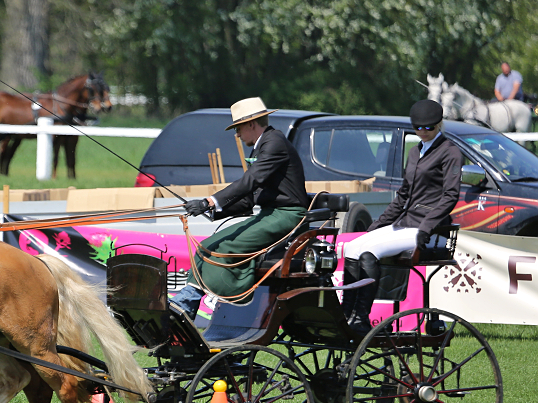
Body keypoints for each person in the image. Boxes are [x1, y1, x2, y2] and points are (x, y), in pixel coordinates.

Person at [170, 97, 310, 318]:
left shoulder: (274, 143)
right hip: (269, 214)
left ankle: (208, 302)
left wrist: (209, 201)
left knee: (225, 248)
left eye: (238, 128)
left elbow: (249, 181)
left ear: (251, 124)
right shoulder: (263, 146)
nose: (237, 134)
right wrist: (213, 210)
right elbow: (251, 196)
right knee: (207, 245)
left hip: (287, 215)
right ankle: (187, 303)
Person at [342, 99, 462, 333]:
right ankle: (348, 314)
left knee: (369, 252)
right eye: (419, 128)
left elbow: (450, 196)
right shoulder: (415, 152)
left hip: (430, 229)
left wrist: (426, 227)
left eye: (430, 128)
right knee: (353, 248)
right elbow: (403, 196)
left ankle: (361, 318)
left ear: (439, 125)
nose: (424, 132)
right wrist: (378, 225)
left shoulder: (450, 152)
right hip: (406, 222)